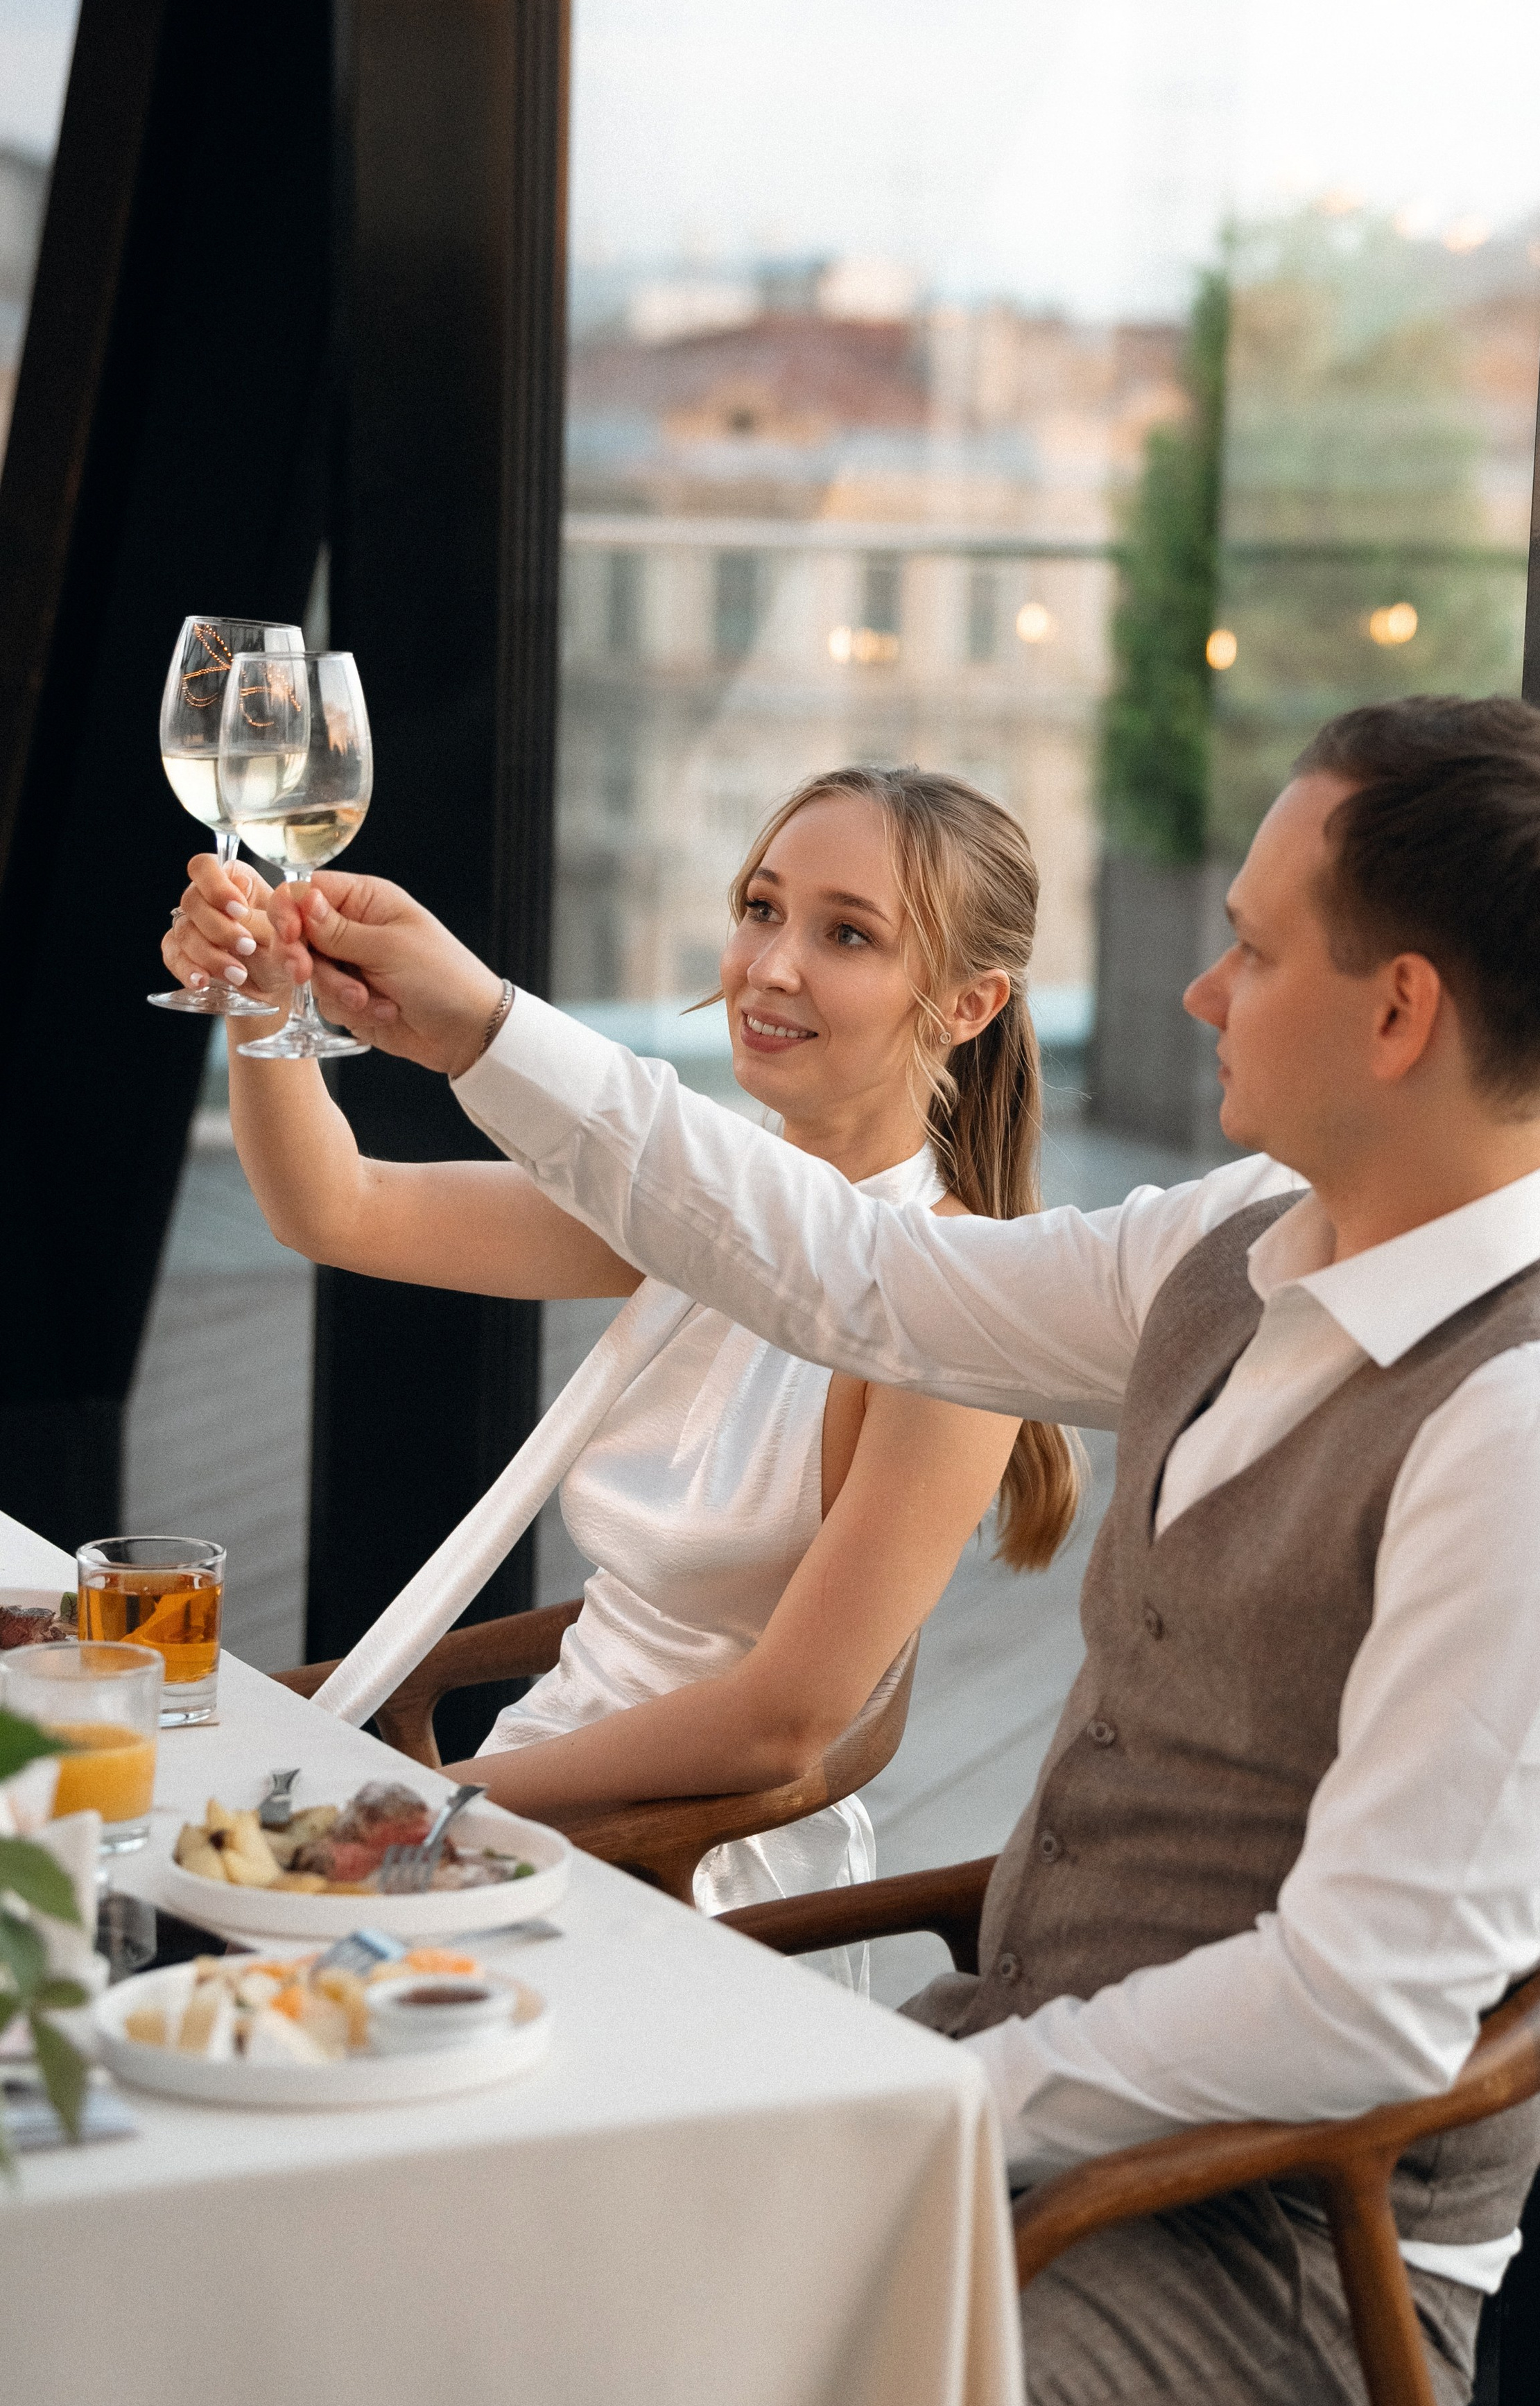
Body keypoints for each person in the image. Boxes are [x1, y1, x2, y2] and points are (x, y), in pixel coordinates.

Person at [220, 693, 1540, 2406]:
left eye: (1250, 948)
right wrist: (483, 1026)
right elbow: (859, 1270)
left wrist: (921, 2104)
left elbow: (1359, 2008)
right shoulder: (1244, 1243)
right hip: (1016, 2112)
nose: (1200, 992)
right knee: (451, 2292)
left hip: (1280, 2263)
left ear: (1399, 1013)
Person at [163, 766, 1078, 1949]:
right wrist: (264, 1003)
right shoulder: (701, 1203)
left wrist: (430, 1812)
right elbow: (336, 1209)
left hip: (685, 1872)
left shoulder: (952, 1314)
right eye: (761, 908)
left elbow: (782, 1725)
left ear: (967, 1005)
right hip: (533, 1796)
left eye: (847, 934)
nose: (772, 966)